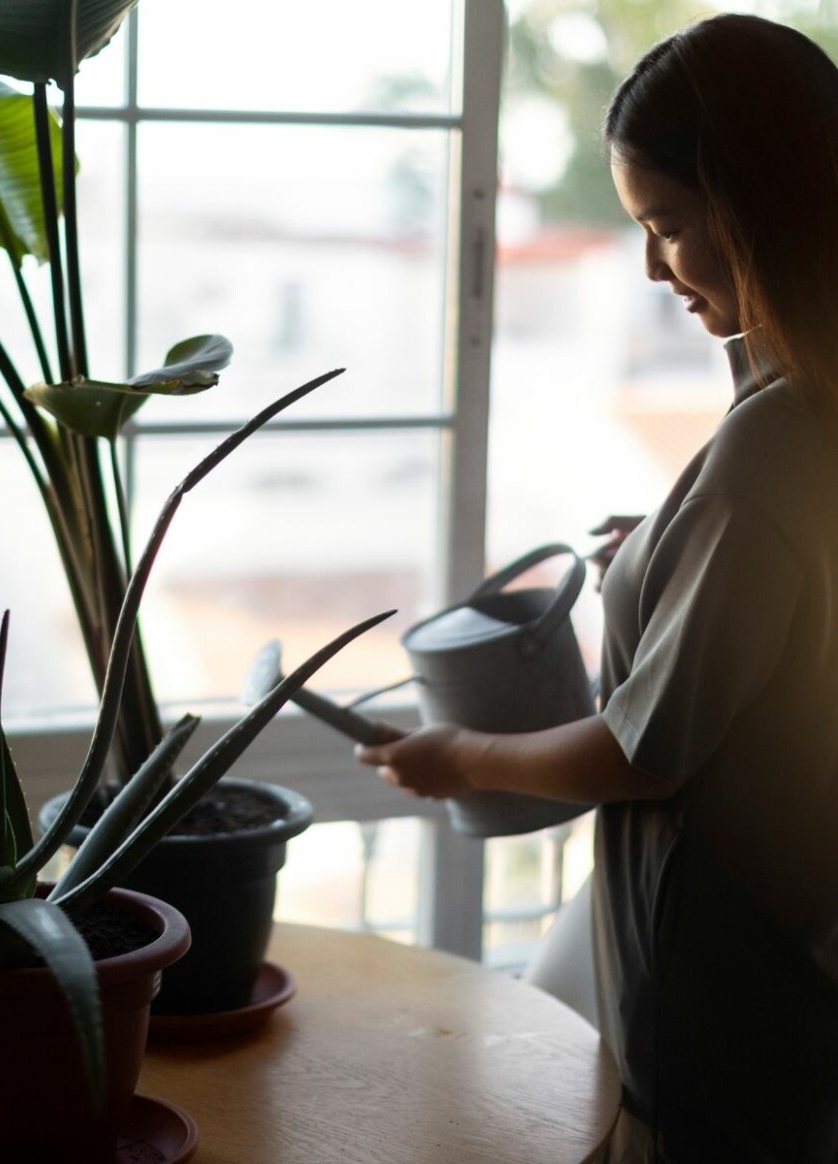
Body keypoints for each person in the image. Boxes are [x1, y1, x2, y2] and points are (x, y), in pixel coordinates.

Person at [355, 15, 838, 1163]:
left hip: (723, 993)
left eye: (668, 226)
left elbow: (643, 753)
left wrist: (459, 754)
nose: (653, 266)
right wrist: (670, 555)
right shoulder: (802, 409)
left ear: (757, 202)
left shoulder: (773, 443)